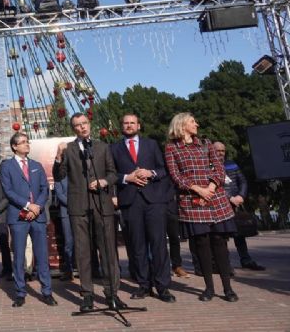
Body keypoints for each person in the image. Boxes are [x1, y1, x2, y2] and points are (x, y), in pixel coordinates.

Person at [53, 113, 126, 312]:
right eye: (77, 125)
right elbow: (58, 176)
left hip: (102, 204)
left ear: (89, 124)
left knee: (108, 252)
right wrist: (58, 156)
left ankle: (112, 294)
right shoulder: (68, 149)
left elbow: (113, 174)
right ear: (73, 128)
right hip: (78, 206)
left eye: (84, 123)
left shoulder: (103, 147)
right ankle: (87, 295)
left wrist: (104, 182)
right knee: (83, 252)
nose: (82, 127)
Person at [164, 113, 238, 302]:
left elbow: (219, 169)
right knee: (202, 245)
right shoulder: (171, 148)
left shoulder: (207, 144)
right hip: (192, 201)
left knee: (220, 243)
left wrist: (211, 188)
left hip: (215, 199)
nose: (197, 124)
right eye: (192, 121)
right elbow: (175, 175)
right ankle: (209, 289)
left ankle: (228, 288)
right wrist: (197, 189)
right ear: (181, 125)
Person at [110, 114, 176, 303]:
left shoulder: (151, 144)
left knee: (159, 245)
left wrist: (151, 172)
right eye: (125, 123)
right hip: (130, 201)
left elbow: (165, 170)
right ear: (121, 126)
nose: (129, 125)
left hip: (154, 201)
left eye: (132, 123)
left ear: (139, 125)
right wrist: (127, 178)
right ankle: (143, 285)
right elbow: (111, 173)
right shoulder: (113, 148)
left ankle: (163, 287)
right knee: (137, 246)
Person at [1, 132, 57, 308]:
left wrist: (37, 206)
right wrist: (27, 205)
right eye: (23, 142)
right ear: (14, 146)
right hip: (18, 217)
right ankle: (20, 293)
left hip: (38, 216)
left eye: (27, 141)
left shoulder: (36, 165)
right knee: (19, 256)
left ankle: (47, 292)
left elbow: (44, 189)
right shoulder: (6, 166)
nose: (27, 144)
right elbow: (8, 191)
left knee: (42, 256)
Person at [213, 141, 265, 271]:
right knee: (222, 236)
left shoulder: (231, 164)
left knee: (239, 233)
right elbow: (214, 187)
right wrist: (229, 198)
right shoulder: (208, 166)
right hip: (220, 205)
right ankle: (225, 264)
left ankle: (246, 259)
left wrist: (241, 196)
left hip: (236, 204)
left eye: (222, 151)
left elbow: (243, 181)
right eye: (217, 151)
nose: (220, 153)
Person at [54, 177, 76, 281]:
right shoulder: (59, 176)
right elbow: (59, 194)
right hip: (66, 213)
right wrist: (72, 203)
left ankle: (83, 270)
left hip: (79, 212)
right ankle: (68, 271)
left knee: (81, 242)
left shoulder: (76, 172)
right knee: (68, 243)